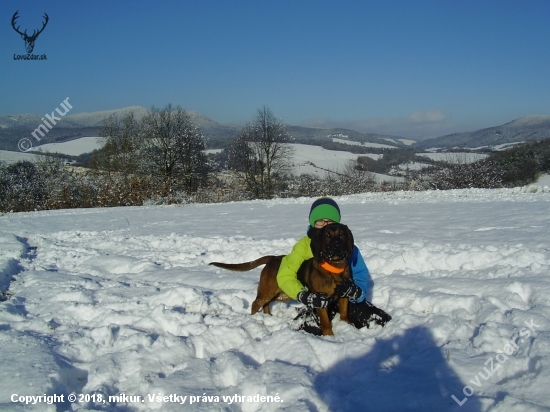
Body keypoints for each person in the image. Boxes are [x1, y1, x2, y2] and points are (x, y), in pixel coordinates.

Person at [277, 197, 391, 335]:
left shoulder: (347, 245)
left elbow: (360, 273)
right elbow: (285, 275)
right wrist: (303, 295)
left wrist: (357, 292)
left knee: (379, 321)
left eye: (329, 221)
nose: (325, 224)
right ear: (313, 223)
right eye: (320, 221)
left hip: (344, 299)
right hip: (317, 300)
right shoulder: (303, 246)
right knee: (308, 331)